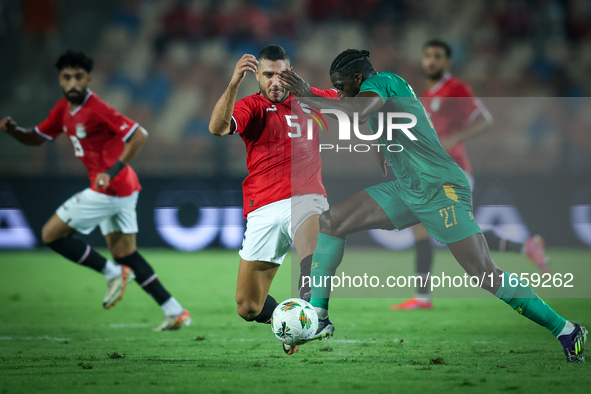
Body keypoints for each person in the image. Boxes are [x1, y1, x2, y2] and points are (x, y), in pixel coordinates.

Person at [278, 49, 587, 362]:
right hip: (408, 188)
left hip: (441, 188)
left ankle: (565, 329)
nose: (341, 91)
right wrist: (382, 144)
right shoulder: (379, 92)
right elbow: (381, 115)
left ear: (359, 79)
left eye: (342, 85)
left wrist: (307, 95)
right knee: (332, 221)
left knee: (485, 274)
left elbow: (357, 111)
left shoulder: (384, 81)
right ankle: (319, 316)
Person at [0, 50, 191, 332]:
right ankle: (174, 310)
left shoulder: (98, 108)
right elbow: (35, 138)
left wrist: (110, 172)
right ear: (60, 80)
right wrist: (14, 130)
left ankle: (112, 273)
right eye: (67, 77)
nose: (73, 82)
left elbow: (139, 135)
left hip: (110, 188)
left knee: (51, 234)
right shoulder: (62, 111)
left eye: (78, 76)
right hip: (123, 188)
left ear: (88, 79)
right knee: (126, 254)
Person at [391, 39, 551, 311]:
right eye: (427, 56)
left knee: (456, 233)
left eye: (437, 56)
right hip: (432, 173)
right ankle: (423, 297)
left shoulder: (457, 89)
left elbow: (485, 120)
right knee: (428, 228)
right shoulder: (427, 96)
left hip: (454, 171)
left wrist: (455, 137)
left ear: (447, 62)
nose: (431, 61)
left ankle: (523, 250)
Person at [209, 45, 337, 355]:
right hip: (262, 208)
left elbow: (357, 107)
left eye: (281, 75)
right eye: (268, 75)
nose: (275, 82)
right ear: (257, 76)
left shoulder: (310, 99)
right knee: (248, 306)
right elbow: (217, 127)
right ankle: (292, 321)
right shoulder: (250, 106)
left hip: (306, 196)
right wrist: (233, 83)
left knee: (312, 244)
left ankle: (319, 316)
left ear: (291, 73)